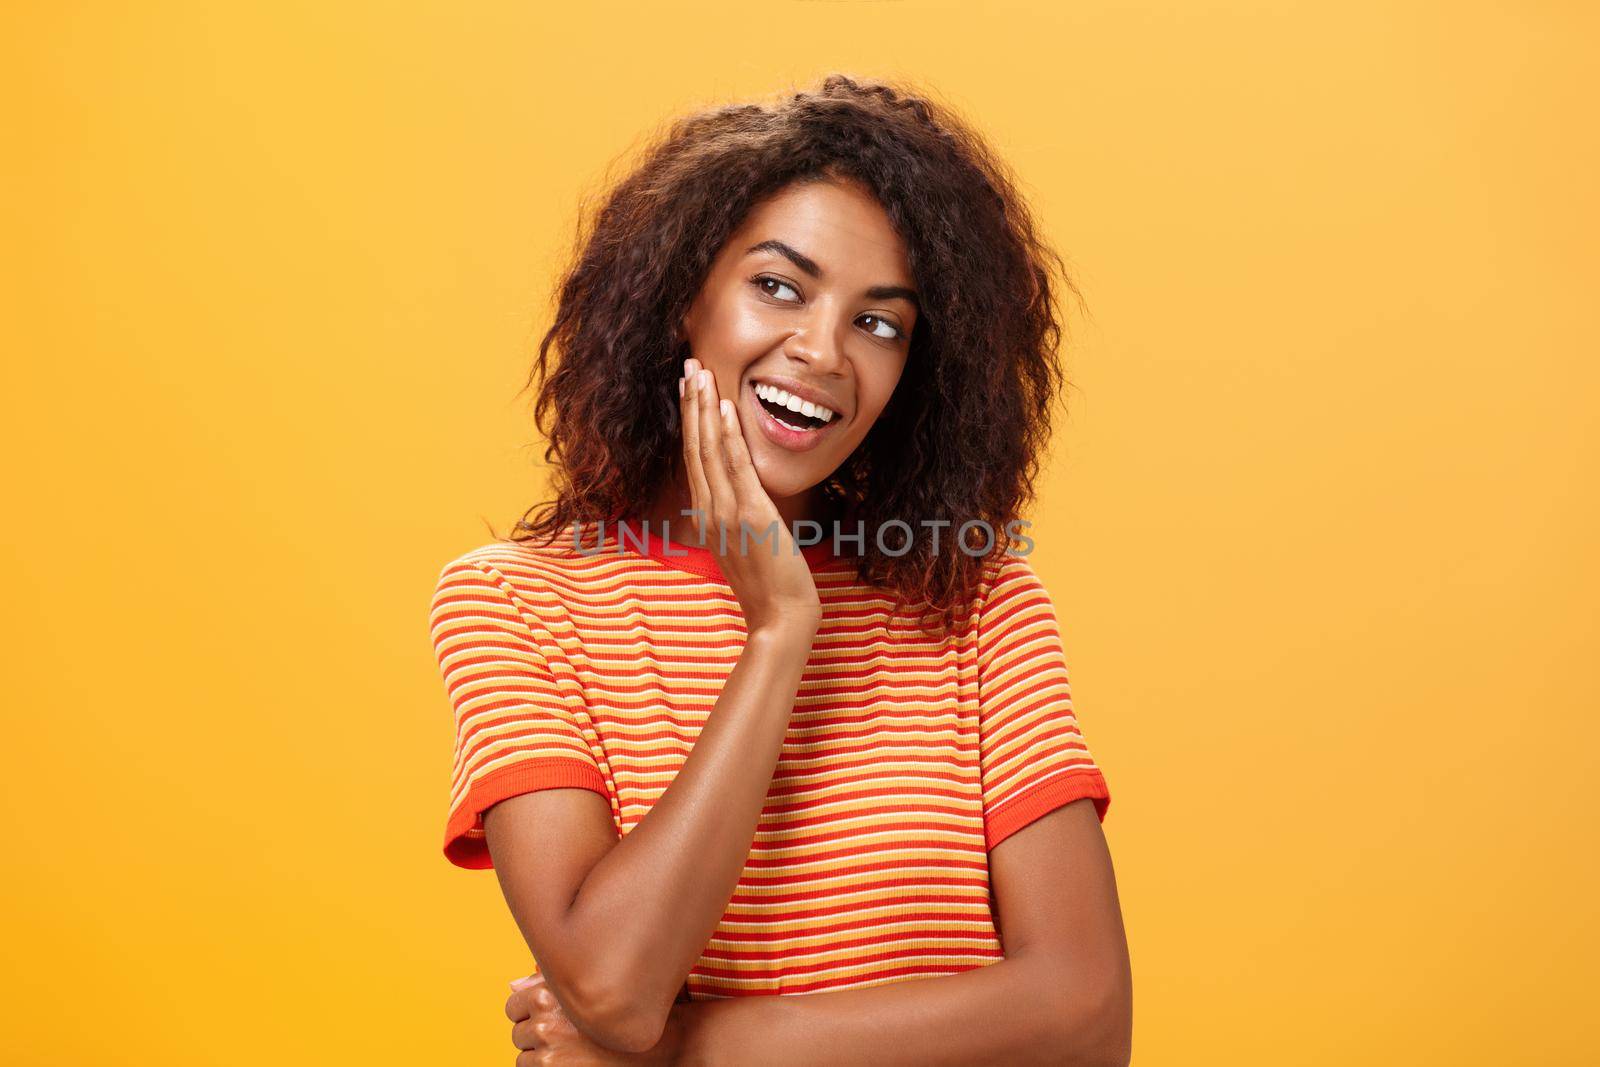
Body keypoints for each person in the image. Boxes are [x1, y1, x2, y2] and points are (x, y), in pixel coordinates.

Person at [428, 74, 1133, 1066]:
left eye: (877, 323)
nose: (823, 352)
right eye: (778, 286)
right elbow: (614, 987)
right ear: (683, 299)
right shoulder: (516, 600)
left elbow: (1086, 1016)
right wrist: (775, 632)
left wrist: (694, 1051)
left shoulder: (974, 595)